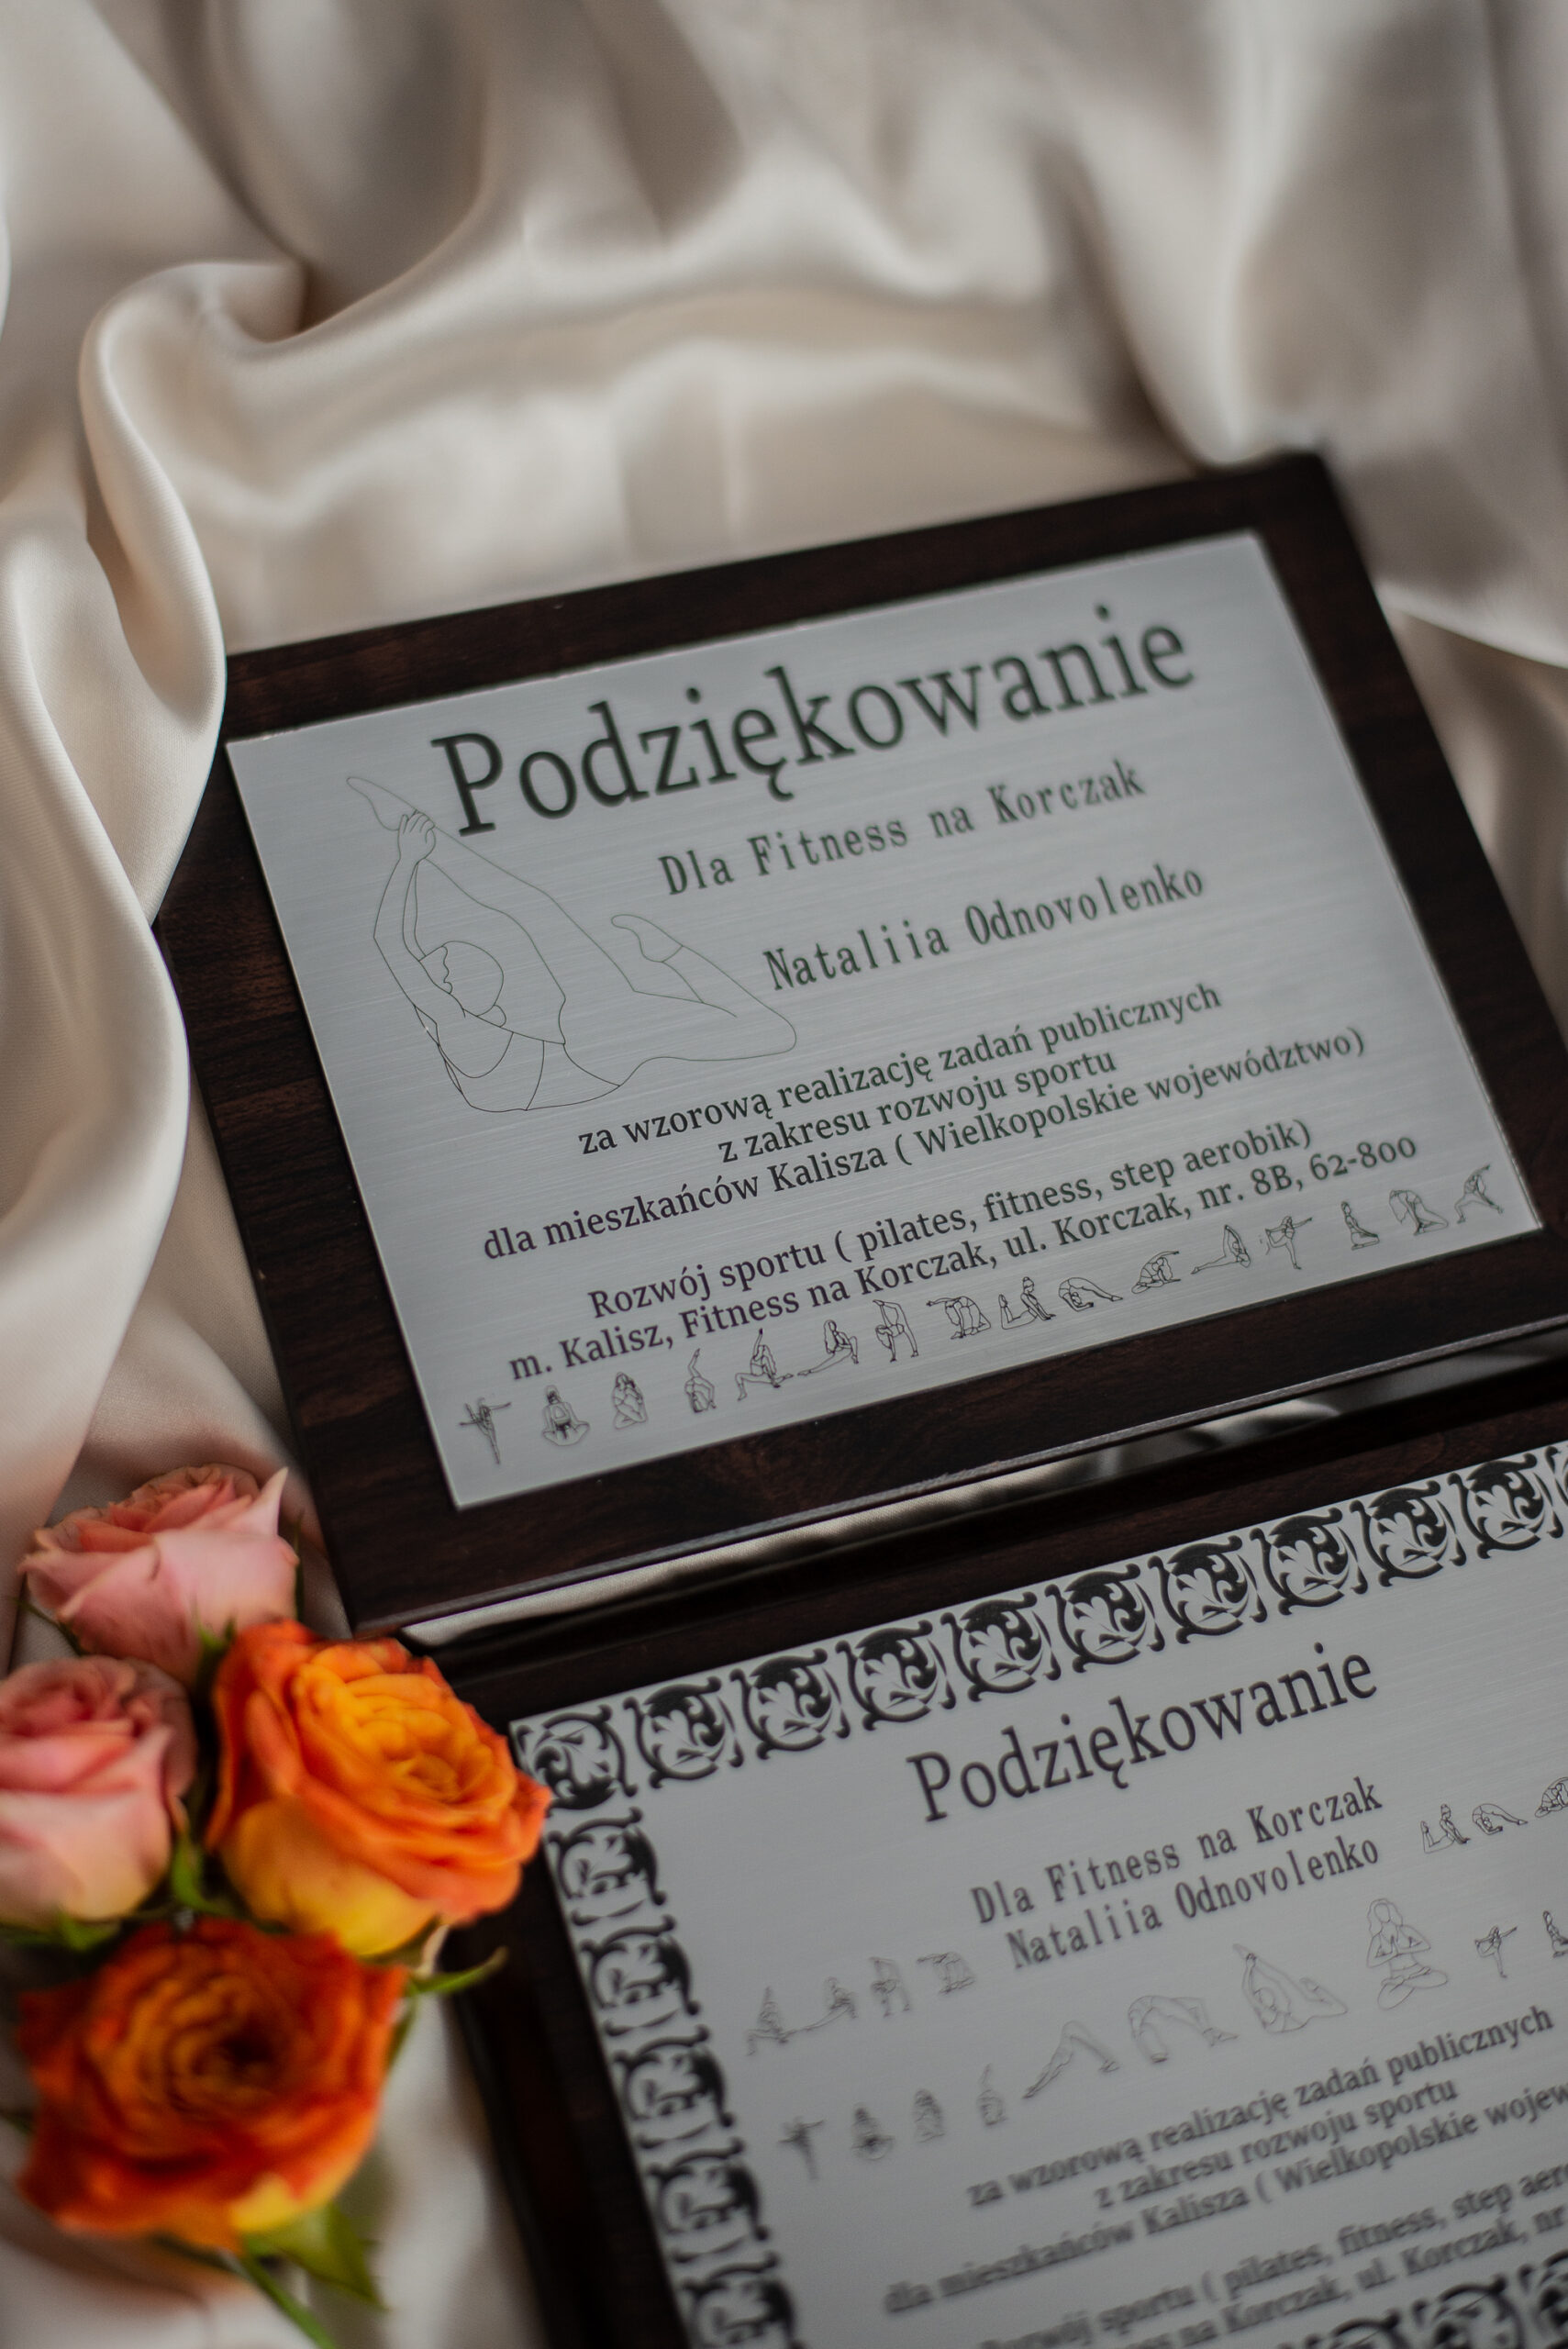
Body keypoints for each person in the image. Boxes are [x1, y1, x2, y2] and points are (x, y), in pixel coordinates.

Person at [354, 781, 794, 1111]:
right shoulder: (453, 1022)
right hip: (593, 1052)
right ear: (450, 988)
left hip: (583, 1058)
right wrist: (409, 858)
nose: (435, 954)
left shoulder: (447, 1014)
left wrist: (412, 858)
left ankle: (425, 832)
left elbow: (401, 939)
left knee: (535, 908)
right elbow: (393, 943)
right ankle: (672, 956)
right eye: (445, 960)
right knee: (770, 1034)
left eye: (443, 955)